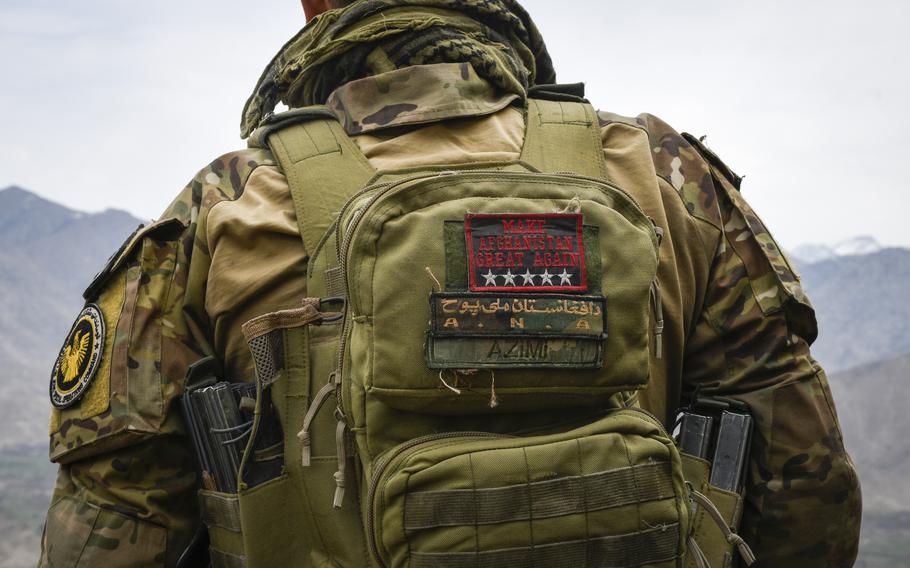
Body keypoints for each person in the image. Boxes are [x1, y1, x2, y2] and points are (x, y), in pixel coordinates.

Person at [39, 0, 861, 566]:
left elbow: (119, 520)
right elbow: (805, 478)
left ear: (315, 9)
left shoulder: (227, 206)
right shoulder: (662, 173)